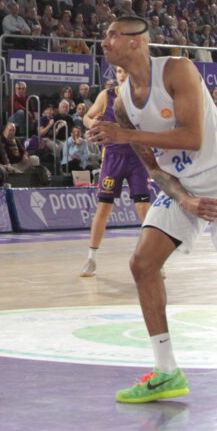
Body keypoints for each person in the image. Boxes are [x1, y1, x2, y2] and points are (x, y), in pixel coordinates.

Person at [88, 15, 217, 404]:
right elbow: (154, 167)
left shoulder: (178, 69)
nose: (104, 42)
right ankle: (166, 371)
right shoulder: (123, 103)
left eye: (112, 36)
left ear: (137, 42)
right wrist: (183, 199)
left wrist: (124, 136)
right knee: (142, 264)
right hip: (183, 184)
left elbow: (192, 137)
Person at [79, 67, 152, 278]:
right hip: (113, 157)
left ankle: (153, 259)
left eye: (126, 71)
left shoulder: (143, 98)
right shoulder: (107, 95)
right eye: (119, 71)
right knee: (103, 208)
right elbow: (87, 117)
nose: (122, 75)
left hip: (137, 156)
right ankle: (91, 258)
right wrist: (92, 123)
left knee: (143, 208)